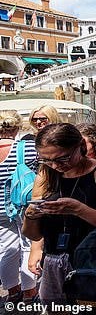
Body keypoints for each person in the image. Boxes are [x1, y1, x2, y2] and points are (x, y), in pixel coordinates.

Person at [22, 123, 96, 305]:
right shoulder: (46, 173)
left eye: (63, 159)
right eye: (46, 159)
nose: (55, 165)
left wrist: (78, 210)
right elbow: (32, 233)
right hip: (53, 259)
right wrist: (31, 217)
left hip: (93, 262)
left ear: (81, 146)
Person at [0, 111, 38, 304]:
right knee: (28, 246)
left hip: (0, 209)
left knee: (6, 248)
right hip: (23, 204)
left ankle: (13, 290)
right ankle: (29, 291)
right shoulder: (28, 147)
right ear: (16, 127)